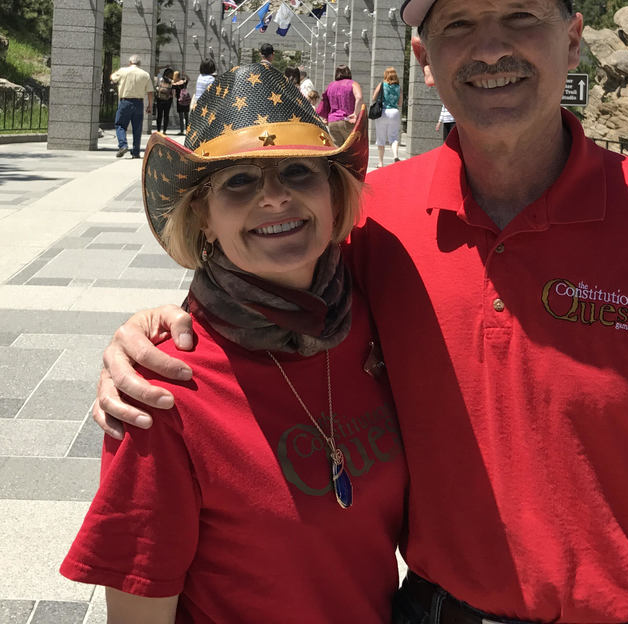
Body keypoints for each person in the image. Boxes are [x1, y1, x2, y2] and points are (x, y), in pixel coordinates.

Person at [93, 0, 628, 624]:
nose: (491, 48)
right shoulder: (374, 224)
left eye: (521, 17)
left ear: (573, 38)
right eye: (458, 25)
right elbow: (268, 290)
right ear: (424, 58)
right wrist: (152, 335)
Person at [61, 64, 406, 623]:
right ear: (203, 217)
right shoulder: (161, 392)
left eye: (299, 171)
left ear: (334, 196)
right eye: (239, 181)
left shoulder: (375, 319)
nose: (274, 197)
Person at [109, 55, 153, 159]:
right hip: (138, 103)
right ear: (139, 64)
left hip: (125, 102)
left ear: (130, 62)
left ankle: (123, 145)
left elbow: (113, 78)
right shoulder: (145, 74)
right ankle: (136, 152)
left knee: (120, 125)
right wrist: (150, 106)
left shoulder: (123, 71)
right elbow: (150, 92)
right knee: (137, 128)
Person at [317, 65, 363, 147]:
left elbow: (325, 101)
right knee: (352, 147)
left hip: (332, 121)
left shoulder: (331, 86)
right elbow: (359, 98)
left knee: (337, 149)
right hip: (347, 120)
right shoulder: (353, 84)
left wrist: (326, 118)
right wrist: (355, 114)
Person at [370, 66, 403, 169]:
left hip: (383, 112)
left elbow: (374, 97)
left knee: (381, 137)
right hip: (394, 112)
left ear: (385, 75)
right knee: (394, 137)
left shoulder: (382, 84)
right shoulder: (398, 87)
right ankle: (395, 156)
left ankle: (380, 162)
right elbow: (400, 103)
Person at [153, 67, 174, 134]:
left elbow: (156, 87)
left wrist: (160, 90)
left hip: (160, 99)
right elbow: (173, 91)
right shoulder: (171, 81)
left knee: (159, 115)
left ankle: (158, 130)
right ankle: (164, 130)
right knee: (166, 115)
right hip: (168, 99)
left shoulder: (160, 79)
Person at [170, 70, 190, 135]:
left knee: (181, 117)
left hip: (180, 101)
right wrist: (185, 74)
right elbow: (188, 79)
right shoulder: (183, 82)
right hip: (186, 101)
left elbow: (173, 94)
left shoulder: (174, 84)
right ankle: (188, 131)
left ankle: (182, 131)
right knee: (186, 116)